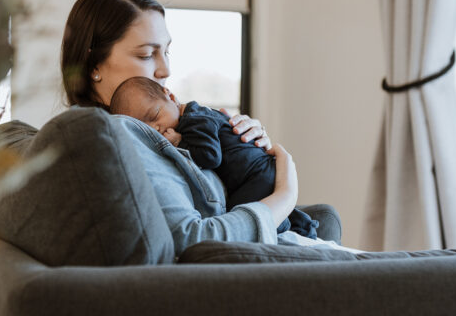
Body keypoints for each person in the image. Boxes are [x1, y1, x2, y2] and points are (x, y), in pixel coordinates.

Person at [60, 0, 305, 255]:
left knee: (325, 217)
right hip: (221, 263)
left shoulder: (161, 125)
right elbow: (193, 240)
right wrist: (284, 197)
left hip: (244, 234)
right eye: (145, 55)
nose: (165, 70)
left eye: (166, 52)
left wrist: (242, 147)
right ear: (94, 66)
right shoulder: (119, 133)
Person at [109, 76, 319, 239]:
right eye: (146, 128)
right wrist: (286, 195)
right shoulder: (194, 117)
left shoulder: (195, 120)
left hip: (255, 175)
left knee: (245, 214)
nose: (157, 129)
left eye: (155, 116)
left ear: (171, 97)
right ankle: (304, 227)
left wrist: (180, 142)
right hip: (258, 175)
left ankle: (291, 231)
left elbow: (210, 156)